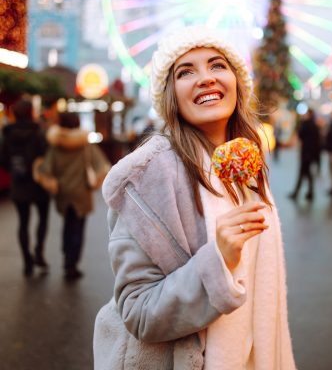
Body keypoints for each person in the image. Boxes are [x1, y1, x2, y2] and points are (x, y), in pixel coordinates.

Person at [93, 26, 296, 369]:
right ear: (170, 94)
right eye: (186, 71)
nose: (205, 78)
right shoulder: (149, 175)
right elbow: (138, 312)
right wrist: (219, 261)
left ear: (237, 83)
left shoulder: (247, 166)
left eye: (218, 65)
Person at [36, 112, 110, 279]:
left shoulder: (56, 145)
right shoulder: (85, 144)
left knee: (67, 226)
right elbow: (101, 165)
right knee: (78, 227)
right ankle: (72, 264)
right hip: (81, 193)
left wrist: (51, 182)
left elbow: (46, 170)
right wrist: (96, 182)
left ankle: (66, 259)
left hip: (63, 192)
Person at [0, 99, 50, 276]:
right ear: (31, 112)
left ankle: (27, 261)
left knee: (23, 223)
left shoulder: (8, 133)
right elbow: (46, 157)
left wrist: (15, 171)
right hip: (38, 184)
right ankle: (39, 252)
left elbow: (3, 159)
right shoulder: (39, 132)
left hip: (18, 183)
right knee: (43, 219)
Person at [288, 108, 321, 201]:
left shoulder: (306, 124)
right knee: (307, 173)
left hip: (306, 153)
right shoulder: (315, 125)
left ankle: (296, 193)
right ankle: (309, 192)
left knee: (302, 172)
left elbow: (300, 134)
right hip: (311, 153)